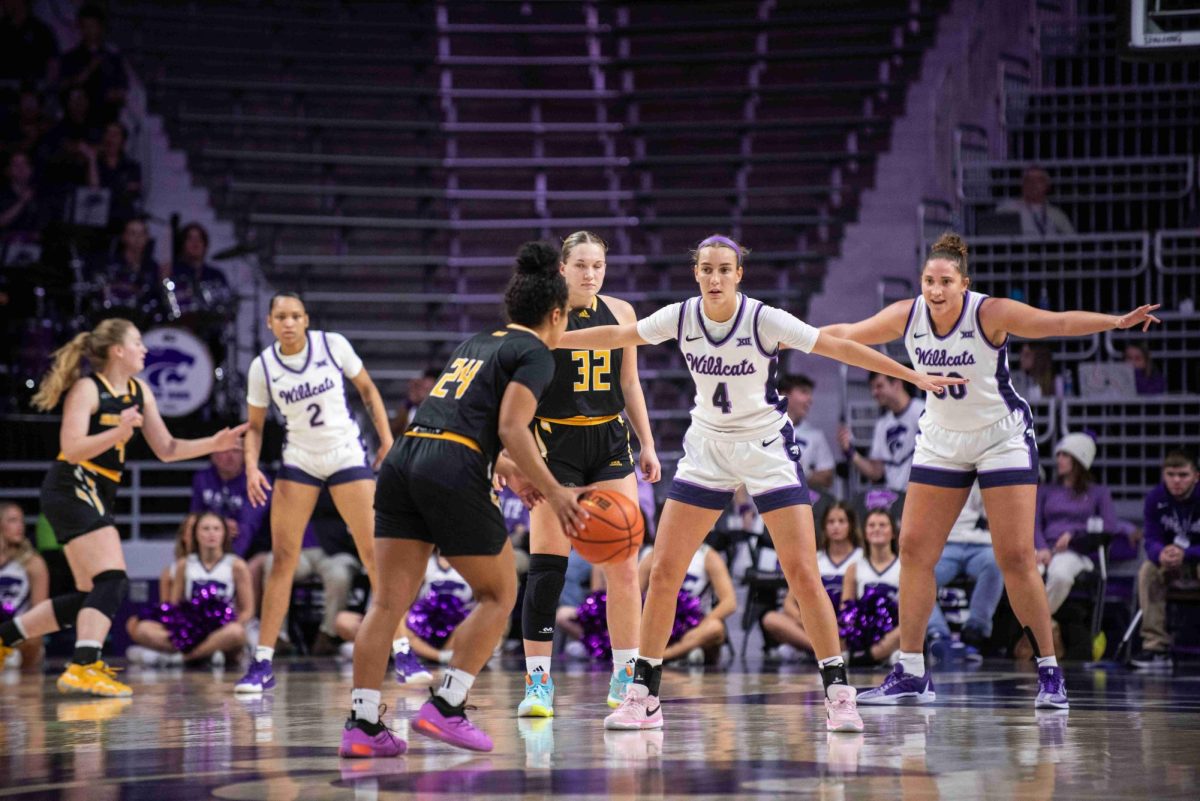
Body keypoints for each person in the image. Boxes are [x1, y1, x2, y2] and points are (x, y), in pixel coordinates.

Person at [558, 233, 964, 734]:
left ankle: (839, 693)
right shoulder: (682, 315)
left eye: (724, 269)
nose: (714, 278)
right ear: (697, 273)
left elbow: (836, 346)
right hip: (707, 448)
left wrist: (909, 373)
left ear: (738, 275)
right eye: (706, 269)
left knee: (802, 572)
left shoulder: (763, 318)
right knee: (662, 570)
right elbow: (618, 337)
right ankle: (643, 695)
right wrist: (552, 340)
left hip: (765, 448)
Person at [822, 231, 1159, 709]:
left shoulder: (990, 313)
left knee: (1016, 558)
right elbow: (847, 333)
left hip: (1000, 436)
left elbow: (1057, 323)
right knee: (913, 549)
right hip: (942, 438)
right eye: (928, 281)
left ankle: (1049, 671)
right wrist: (788, 336)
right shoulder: (908, 314)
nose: (935, 291)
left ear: (964, 283)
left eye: (945, 282)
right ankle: (912, 671)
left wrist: (1117, 321)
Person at [338, 241, 585, 758]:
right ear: (556, 314)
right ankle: (447, 707)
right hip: (451, 467)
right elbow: (511, 427)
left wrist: (509, 470)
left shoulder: (477, 341)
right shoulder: (537, 353)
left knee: (386, 602)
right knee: (499, 594)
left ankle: (362, 724)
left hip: (406, 457)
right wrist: (557, 490)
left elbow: (459, 424)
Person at [0, 318, 247, 696]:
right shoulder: (88, 389)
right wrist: (119, 432)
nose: (144, 349)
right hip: (72, 485)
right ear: (118, 350)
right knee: (112, 580)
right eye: (137, 342)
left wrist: (214, 443)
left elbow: (167, 449)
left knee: (90, 596)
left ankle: (6, 637)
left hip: (99, 491)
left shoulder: (139, 391)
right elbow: (72, 447)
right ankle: (82, 665)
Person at [518, 231, 660, 720]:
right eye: (580, 265)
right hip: (554, 444)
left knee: (622, 561)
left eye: (597, 265)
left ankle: (625, 674)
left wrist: (648, 441)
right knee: (547, 568)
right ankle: (538, 683)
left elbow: (629, 382)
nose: (590, 274)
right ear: (562, 268)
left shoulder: (622, 313)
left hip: (608, 443)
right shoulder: (542, 316)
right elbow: (519, 392)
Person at [234, 292, 392, 694]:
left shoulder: (332, 344)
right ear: (269, 323)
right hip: (300, 458)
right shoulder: (263, 367)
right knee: (282, 559)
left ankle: (403, 650)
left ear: (306, 320)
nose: (288, 323)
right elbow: (253, 426)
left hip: (344, 452)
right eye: (281, 317)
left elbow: (369, 390)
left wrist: (387, 440)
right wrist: (251, 467)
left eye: (295, 316)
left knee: (374, 553)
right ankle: (262, 663)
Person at [127, 512, 253, 666]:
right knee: (142, 629)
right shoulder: (184, 565)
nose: (211, 533)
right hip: (191, 630)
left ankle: (183, 658)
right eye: (205, 529)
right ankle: (206, 653)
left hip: (222, 629)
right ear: (196, 534)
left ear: (225, 534)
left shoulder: (237, 565)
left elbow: (248, 610)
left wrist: (232, 624)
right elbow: (174, 605)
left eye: (216, 528)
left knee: (236, 633)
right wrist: (185, 631)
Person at [1037, 433, 1138, 618]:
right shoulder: (1046, 490)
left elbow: (1108, 526)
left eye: (1065, 455)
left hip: (1075, 552)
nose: (1059, 459)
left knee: (1061, 575)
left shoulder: (1099, 493)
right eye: (1058, 454)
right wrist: (1042, 548)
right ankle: (1030, 629)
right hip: (1043, 549)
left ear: (1079, 459)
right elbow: (1034, 524)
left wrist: (1073, 534)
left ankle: (1035, 628)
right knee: (1025, 575)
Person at [762, 501, 862, 659]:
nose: (836, 526)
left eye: (841, 521)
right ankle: (826, 652)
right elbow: (789, 602)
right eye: (831, 522)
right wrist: (806, 621)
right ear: (824, 526)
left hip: (847, 624)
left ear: (851, 525)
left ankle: (813, 650)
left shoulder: (861, 557)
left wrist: (839, 625)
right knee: (771, 619)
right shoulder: (815, 558)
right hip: (814, 622)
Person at [1133, 451, 1200, 670]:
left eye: (1183, 474)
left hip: (1195, 559)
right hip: (1170, 563)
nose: (1176, 480)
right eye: (1171, 474)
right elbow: (1150, 539)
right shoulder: (1155, 498)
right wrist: (1160, 553)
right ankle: (1155, 647)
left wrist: (1187, 554)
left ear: (1196, 476)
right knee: (1148, 571)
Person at [926, 482, 1002, 662]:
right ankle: (937, 634)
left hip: (981, 544)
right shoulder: (939, 468)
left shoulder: (987, 472)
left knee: (995, 562)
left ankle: (976, 630)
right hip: (944, 544)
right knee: (916, 574)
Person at [637, 537, 736, 664]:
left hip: (694, 624)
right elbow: (635, 594)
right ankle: (682, 653)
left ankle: (659, 658)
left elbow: (729, 602)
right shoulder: (655, 555)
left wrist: (703, 624)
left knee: (715, 628)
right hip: (660, 621)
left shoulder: (708, 556)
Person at [838, 372, 923, 494]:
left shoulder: (922, 411)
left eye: (879, 386)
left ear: (897, 384)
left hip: (921, 495)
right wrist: (850, 452)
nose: (874, 393)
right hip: (894, 499)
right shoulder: (882, 424)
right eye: (872, 388)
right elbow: (876, 473)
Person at [840, 508, 902, 666]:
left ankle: (866, 657)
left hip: (895, 630)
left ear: (893, 533)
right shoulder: (854, 567)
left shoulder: (904, 566)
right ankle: (878, 655)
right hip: (863, 632)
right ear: (865, 533)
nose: (877, 529)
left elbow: (910, 612)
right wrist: (856, 629)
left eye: (883, 525)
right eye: (871, 525)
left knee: (911, 628)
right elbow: (845, 608)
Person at [58, 4, 128, 124]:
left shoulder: (113, 59)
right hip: (76, 122)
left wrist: (114, 95)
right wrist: (88, 70)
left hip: (106, 120)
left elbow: (122, 91)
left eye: (93, 26)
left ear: (101, 27)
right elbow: (63, 86)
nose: (89, 31)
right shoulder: (70, 58)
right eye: (85, 26)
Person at [0, 501, 48, 670]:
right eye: (12, 521)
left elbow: (39, 613)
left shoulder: (33, 562)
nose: (19, 526)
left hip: (21, 634)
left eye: (21, 521)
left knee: (32, 639)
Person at [779, 373, 834, 490]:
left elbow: (828, 478)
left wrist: (803, 472)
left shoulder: (815, 435)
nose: (810, 399)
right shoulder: (763, 430)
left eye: (810, 393)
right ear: (784, 395)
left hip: (803, 504)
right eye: (804, 392)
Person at [996, 166, 1076, 237]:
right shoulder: (1008, 208)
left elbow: (1072, 240)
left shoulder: (1056, 213)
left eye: (1038, 180)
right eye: (1028, 180)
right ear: (1022, 185)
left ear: (1047, 186)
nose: (1033, 184)